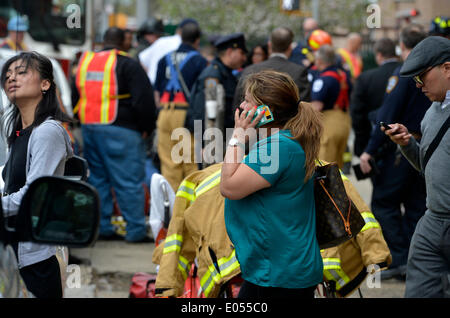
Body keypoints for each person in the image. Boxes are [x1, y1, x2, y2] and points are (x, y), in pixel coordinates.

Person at [221, 70, 323, 298]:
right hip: (276, 268)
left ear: (265, 112)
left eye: (247, 100)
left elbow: (229, 187)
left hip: (279, 273)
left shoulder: (277, 147)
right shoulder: (280, 142)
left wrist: (237, 136)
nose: (241, 106)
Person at [359, 26, 430, 280]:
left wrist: (368, 151)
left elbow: (387, 116)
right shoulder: (429, 70)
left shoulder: (404, 71)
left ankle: (400, 259)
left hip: (402, 148)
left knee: (384, 203)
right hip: (424, 147)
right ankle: (416, 261)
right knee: (415, 205)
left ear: (403, 46)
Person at [73, 27, 157, 243]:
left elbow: (76, 96)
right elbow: (144, 100)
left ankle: (102, 228)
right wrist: (147, 127)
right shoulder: (128, 63)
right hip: (123, 131)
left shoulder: (85, 62)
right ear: (122, 41)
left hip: (90, 128)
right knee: (128, 181)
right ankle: (136, 231)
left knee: (98, 180)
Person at [0, 51, 73, 298]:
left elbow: (34, 195)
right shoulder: (19, 132)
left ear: (45, 84)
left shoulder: (47, 132)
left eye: (21, 72)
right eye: (8, 74)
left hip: (35, 261)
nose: (12, 78)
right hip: (13, 251)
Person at [383, 36, 450, 298]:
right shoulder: (432, 112)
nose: (418, 85)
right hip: (432, 220)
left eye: (422, 76)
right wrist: (407, 143)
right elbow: (427, 165)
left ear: (447, 68)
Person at [154, 21, 208, 192]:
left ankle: (170, 210)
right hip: (185, 115)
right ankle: (188, 210)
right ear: (197, 40)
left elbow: (157, 92)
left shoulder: (165, 59)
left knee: (169, 164)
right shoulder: (200, 61)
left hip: (164, 112)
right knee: (189, 163)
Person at [187, 33, 248, 137]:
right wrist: (205, 144)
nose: (244, 58)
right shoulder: (213, 75)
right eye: (241, 53)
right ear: (230, 52)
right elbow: (204, 112)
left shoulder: (226, 74)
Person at [233, 27, 311, 108]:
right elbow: (303, 108)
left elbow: (238, 106)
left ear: (269, 45)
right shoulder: (299, 72)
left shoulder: (249, 71)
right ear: (290, 47)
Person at [350, 37, 400, 157]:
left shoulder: (366, 78)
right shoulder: (408, 73)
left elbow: (357, 113)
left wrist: (362, 142)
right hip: (404, 138)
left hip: (373, 142)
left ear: (379, 55)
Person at [311, 45, 352, 168]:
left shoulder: (323, 79)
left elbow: (316, 106)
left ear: (319, 60)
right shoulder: (343, 75)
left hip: (329, 123)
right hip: (344, 122)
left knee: (324, 167)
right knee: (337, 166)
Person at [139, 18, 198, 86]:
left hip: (154, 86)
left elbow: (142, 60)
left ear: (178, 30)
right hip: (174, 89)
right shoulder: (186, 46)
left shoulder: (161, 41)